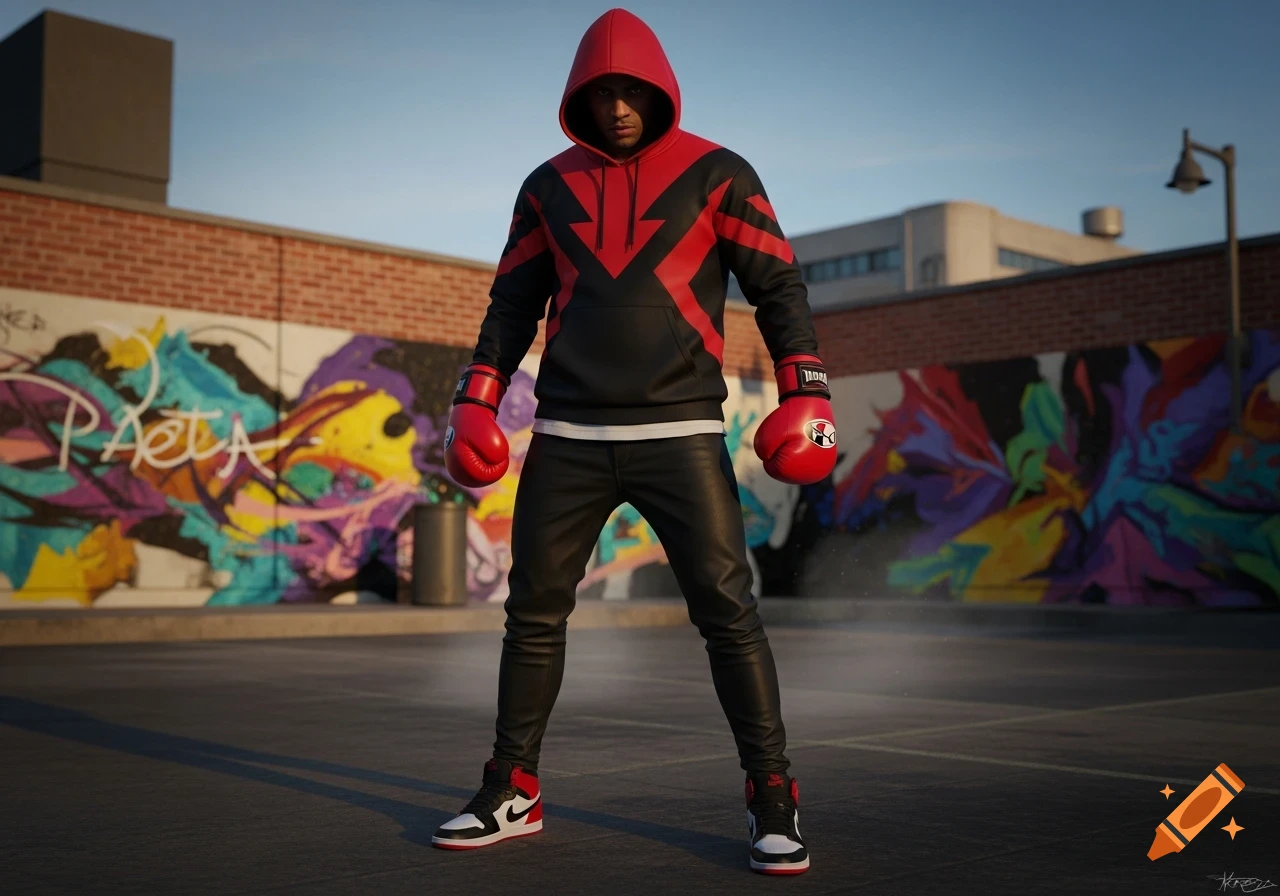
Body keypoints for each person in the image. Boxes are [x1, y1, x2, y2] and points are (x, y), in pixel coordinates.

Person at [433, 7, 836, 876]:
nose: (617, 106)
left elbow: (779, 287)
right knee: (532, 616)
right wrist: (477, 394)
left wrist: (806, 383)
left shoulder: (720, 172)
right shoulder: (546, 185)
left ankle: (774, 795)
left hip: (683, 431)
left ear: (660, 90)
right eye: (601, 91)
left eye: (632, 90)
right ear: (579, 95)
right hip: (568, 434)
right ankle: (512, 786)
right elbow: (510, 304)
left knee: (729, 617)